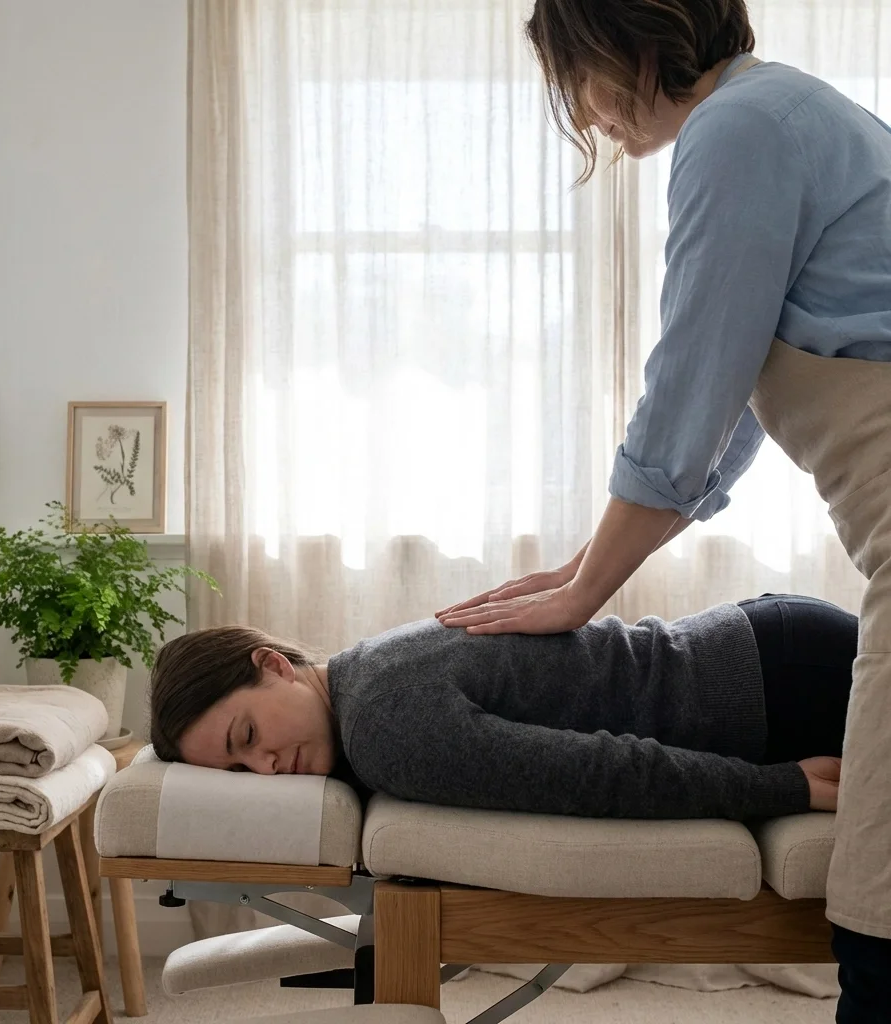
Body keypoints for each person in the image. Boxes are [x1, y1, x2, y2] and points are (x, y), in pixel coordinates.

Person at [435, 3, 891, 1019]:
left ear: (631, 45)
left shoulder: (737, 130)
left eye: (578, 82)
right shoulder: (790, 111)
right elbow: (721, 418)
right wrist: (584, 567)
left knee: (881, 895)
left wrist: (583, 593)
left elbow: (687, 389)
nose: (589, 117)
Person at [151, 594, 851, 823]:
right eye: (239, 772)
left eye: (248, 735)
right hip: (766, 645)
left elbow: (601, 773)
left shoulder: (382, 727)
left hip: (779, 687)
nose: (266, 769)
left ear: (275, 666)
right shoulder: (367, 668)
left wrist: (783, 788)